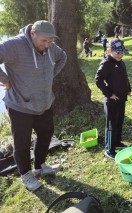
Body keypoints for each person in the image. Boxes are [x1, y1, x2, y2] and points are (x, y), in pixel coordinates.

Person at [0, 20, 67, 191]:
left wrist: (51, 76)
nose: (47, 45)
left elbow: (63, 57)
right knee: (22, 143)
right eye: (44, 41)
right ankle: (26, 175)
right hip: (19, 105)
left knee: (46, 134)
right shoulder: (14, 45)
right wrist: (5, 80)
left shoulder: (50, 47)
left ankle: (40, 166)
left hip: (44, 103)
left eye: (50, 42)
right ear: (32, 34)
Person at [95, 38, 131, 159]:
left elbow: (125, 77)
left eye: (122, 52)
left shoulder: (121, 62)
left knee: (119, 122)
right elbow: (98, 79)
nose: (120, 55)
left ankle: (117, 142)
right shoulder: (106, 63)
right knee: (111, 125)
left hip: (121, 98)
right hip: (111, 101)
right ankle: (109, 149)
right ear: (110, 50)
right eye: (118, 52)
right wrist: (109, 93)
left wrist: (128, 89)